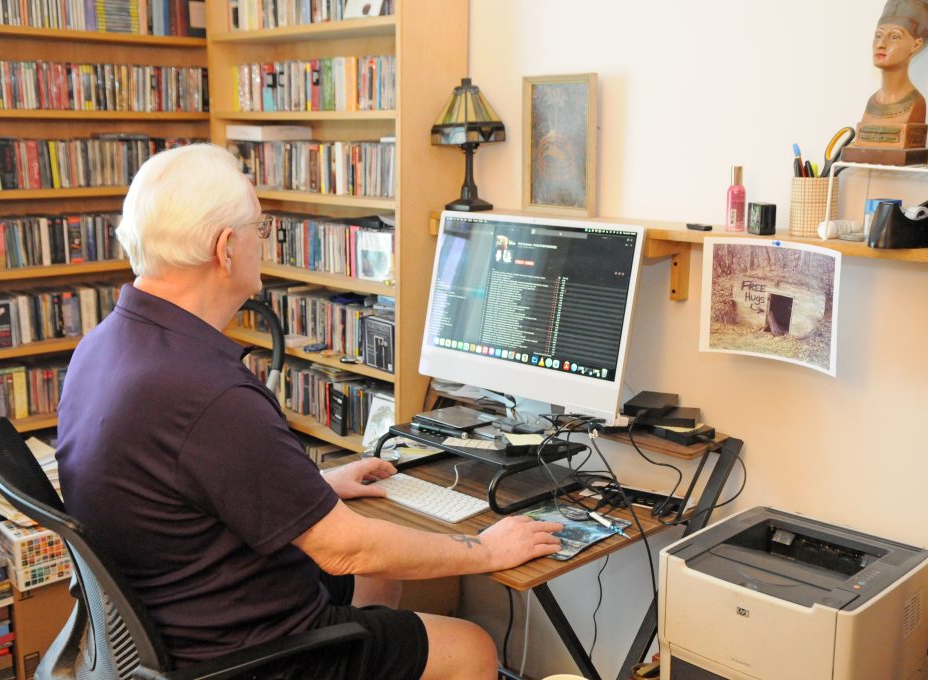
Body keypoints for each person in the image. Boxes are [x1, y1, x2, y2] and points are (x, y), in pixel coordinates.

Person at [55, 143, 563, 680]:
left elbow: (192, 479)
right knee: (472, 647)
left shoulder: (103, 346)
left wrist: (312, 484)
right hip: (240, 654)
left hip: (182, 616)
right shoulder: (209, 395)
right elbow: (346, 551)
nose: (263, 240)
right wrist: (482, 550)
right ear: (225, 248)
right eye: (260, 226)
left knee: (381, 584)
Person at [860, 0, 928, 126]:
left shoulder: (916, 104)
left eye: (894, 36)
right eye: (878, 35)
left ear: (916, 45)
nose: (881, 44)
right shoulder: (872, 102)